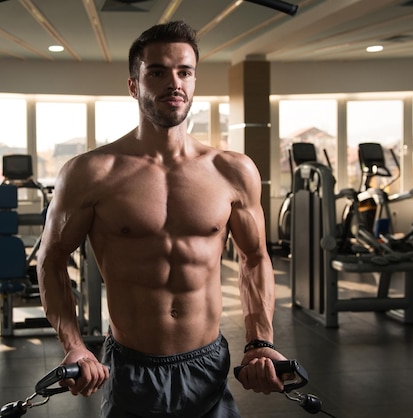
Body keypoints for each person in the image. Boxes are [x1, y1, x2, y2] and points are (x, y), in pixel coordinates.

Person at [37, 20, 287, 417]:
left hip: (209, 363)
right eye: (157, 72)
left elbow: (255, 258)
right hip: (132, 367)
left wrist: (259, 341)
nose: (174, 83)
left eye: (184, 72)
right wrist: (74, 344)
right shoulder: (90, 173)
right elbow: (51, 259)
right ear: (134, 85)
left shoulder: (233, 170)